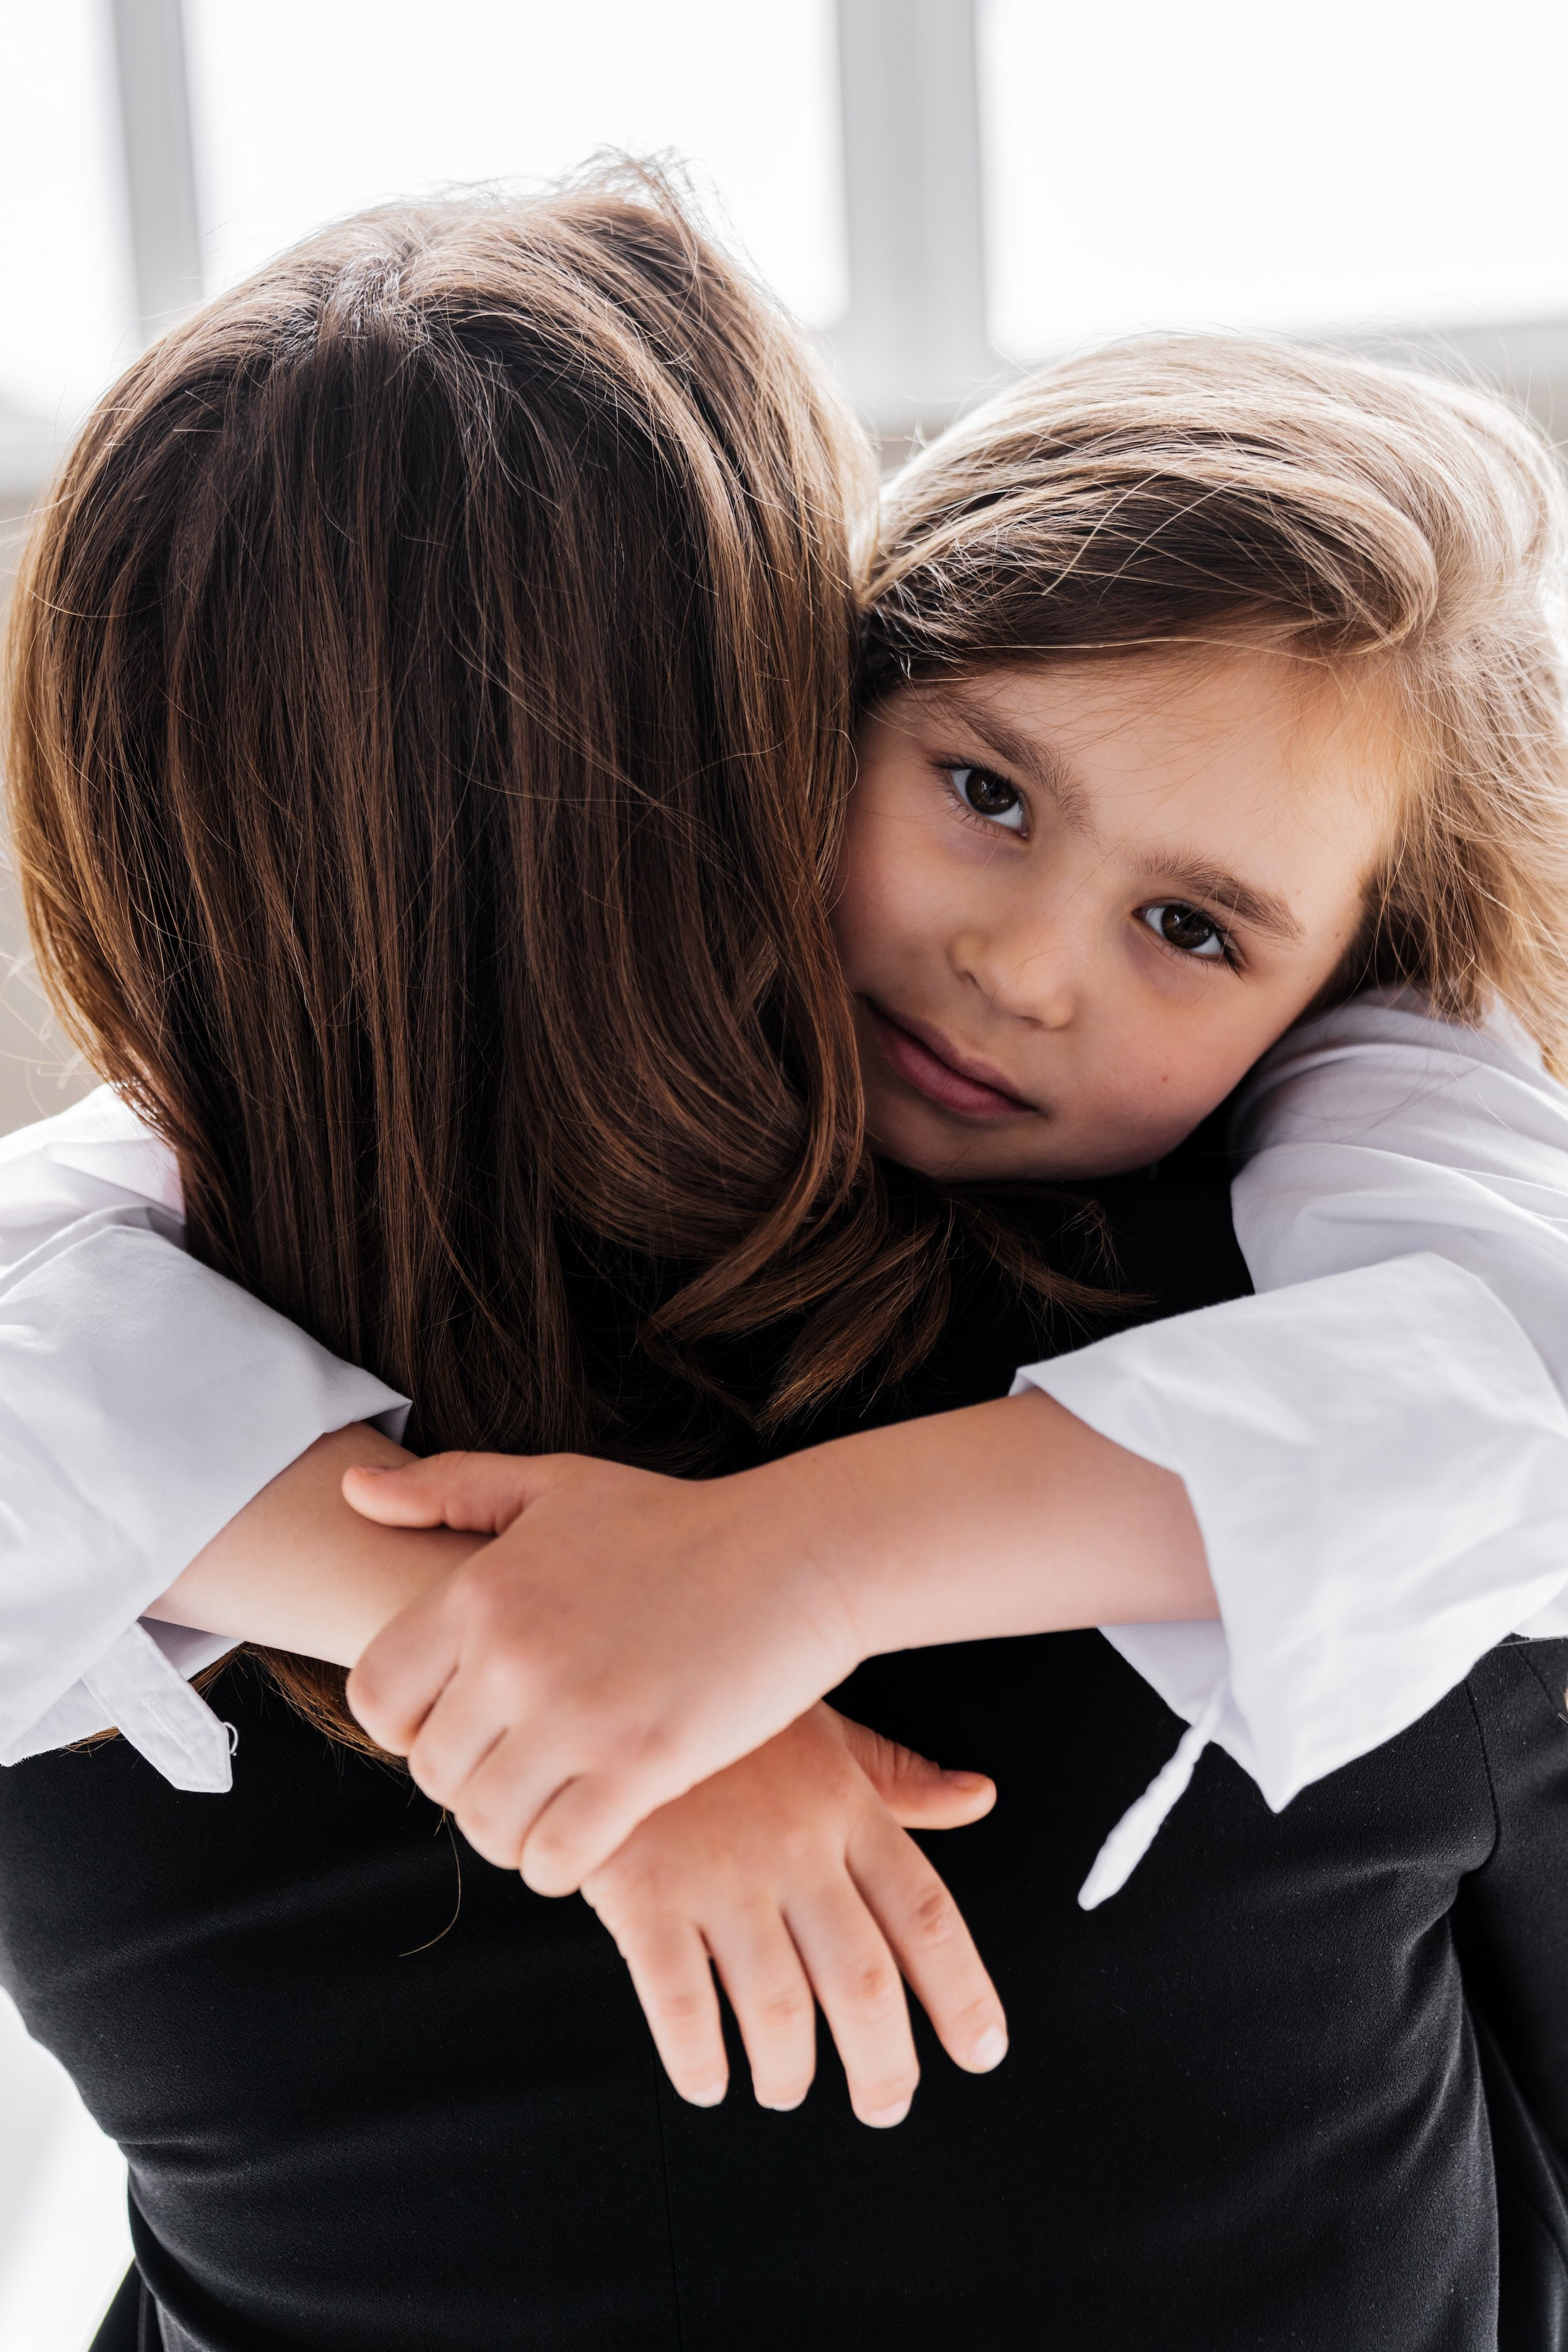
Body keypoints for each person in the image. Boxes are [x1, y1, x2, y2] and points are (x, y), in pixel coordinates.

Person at [1, 183, 1567, 2345]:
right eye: (980, 791)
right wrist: (574, 1639)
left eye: (1192, 930)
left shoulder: (91, 1603)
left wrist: (659, 1596)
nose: (1024, 972)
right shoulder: (1321, 1385)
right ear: (808, 687)